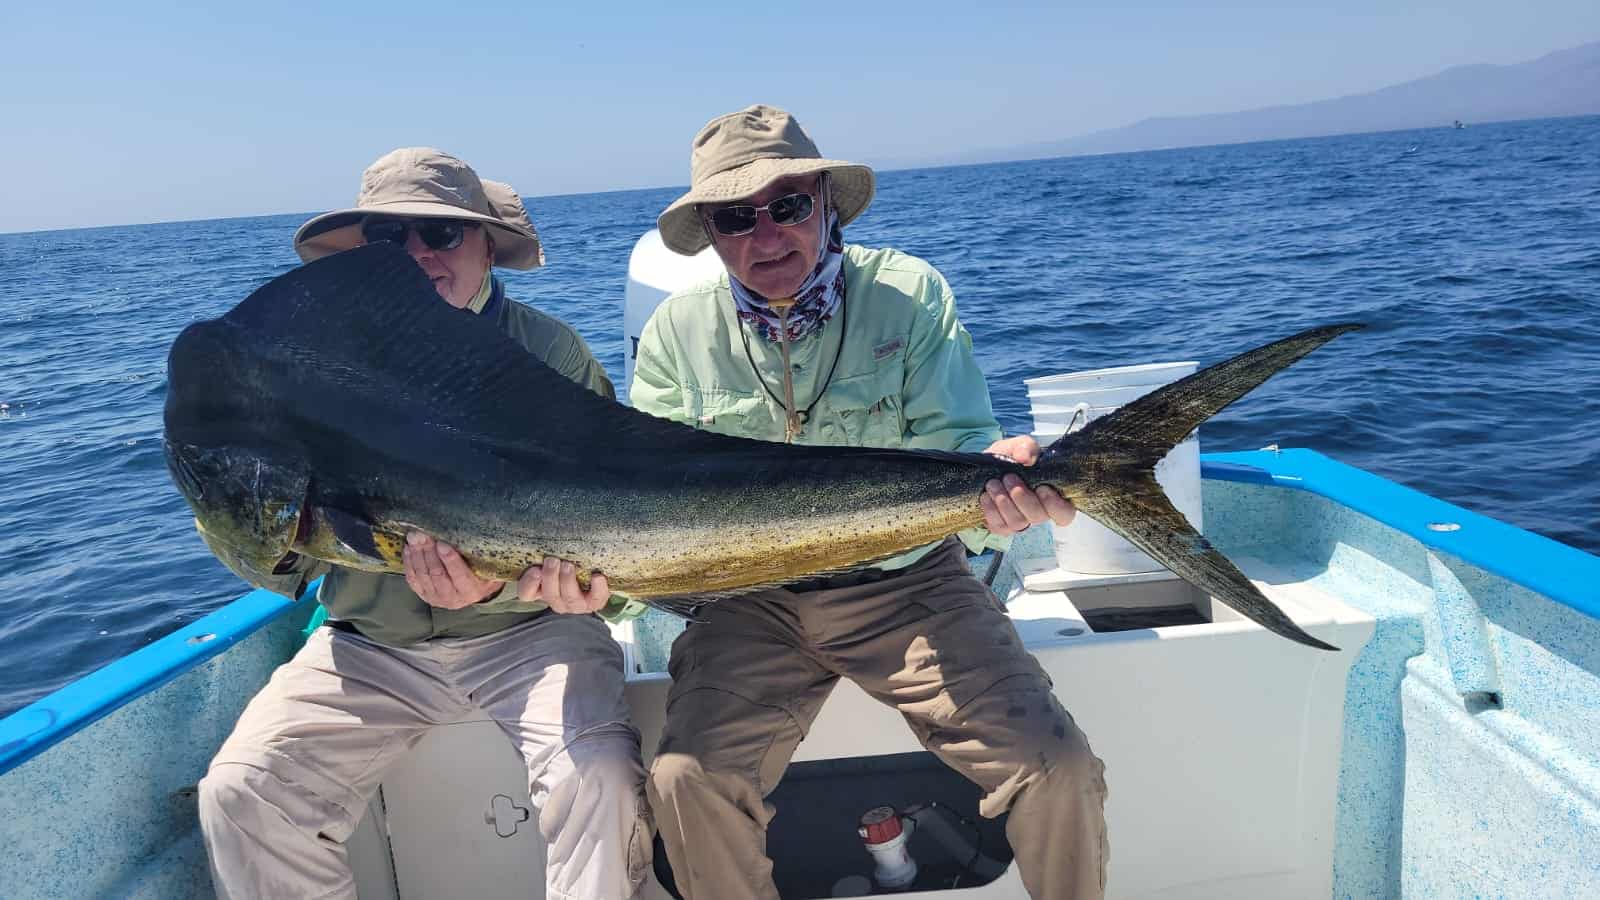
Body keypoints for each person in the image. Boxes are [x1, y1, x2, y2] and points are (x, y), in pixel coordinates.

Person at [631, 106, 1109, 899]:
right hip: (751, 605)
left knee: (1056, 766)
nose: (765, 234)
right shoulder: (675, 331)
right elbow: (652, 497)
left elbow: (962, 444)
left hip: (911, 587)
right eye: (736, 218)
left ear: (826, 204)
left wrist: (998, 492)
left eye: (787, 205)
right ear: (711, 233)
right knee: (685, 780)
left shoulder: (908, 294)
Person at [195, 148, 651, 900]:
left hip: (533, 636)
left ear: (486, 247)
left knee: (598, 778)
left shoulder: (550, 353)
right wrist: (272, 541)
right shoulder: (312, 368)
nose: (416, 254)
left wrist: (520, 587)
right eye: (389, 236)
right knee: (242, 794)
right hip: (369, 646)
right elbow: (275, 553)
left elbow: (620, 524)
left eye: (439, 233)